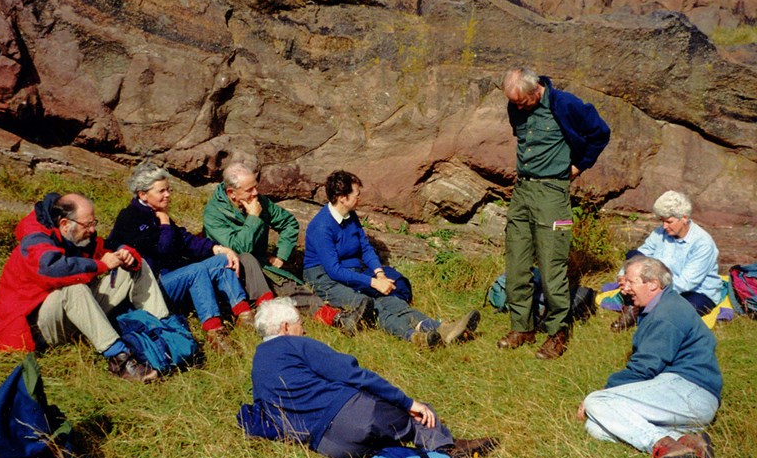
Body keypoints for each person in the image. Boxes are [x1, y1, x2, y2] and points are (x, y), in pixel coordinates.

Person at [238, 298, 501, 458]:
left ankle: (451, 454)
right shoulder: (295, 344)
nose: (304, 331)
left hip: (329, 446)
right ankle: (450, 455)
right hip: (352, 416)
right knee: (420, 417)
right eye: (301, 325)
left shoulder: (259, 364)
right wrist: (408, 402)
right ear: (285, 327)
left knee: (396, 449)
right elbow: (354, 374)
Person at [0, 192, 167, 383]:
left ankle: (165, 331)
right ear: (64, 224)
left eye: (94, 222)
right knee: (73, 288)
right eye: (88, 225)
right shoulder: (35, 240)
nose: (93, 229)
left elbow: (105, 247)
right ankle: (119, 359)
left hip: (69, 314)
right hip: (36, 329)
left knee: (136, 264)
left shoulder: (75, 235)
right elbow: (52, 269)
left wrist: (124, 254)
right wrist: (101, 265)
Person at [497, 67, 610, 359]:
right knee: (517, 264)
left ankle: (557, 334)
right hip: (522, 192)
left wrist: (578, 165)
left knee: (551, 267)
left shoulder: (566, 104)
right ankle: (522, 327)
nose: (517, 107)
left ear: (537, 90)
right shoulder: (517, 105)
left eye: (522, 101)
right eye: (514, 102)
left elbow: (600, 133)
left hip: (552, 195)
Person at [304, 170, 480, 347]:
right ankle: (413, 336)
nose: (360, 197)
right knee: (369, 305)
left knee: (390, 299)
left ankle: (441, 328)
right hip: (325, 279)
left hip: (351, 271)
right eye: (357, 194)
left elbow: (365, 247)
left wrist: (379, 274)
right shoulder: (321, 226)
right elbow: (334, 270)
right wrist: (373, 282)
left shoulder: (351, 216)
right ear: (342, 197)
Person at [578, 256, 721, 458]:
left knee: (596, 403)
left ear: (653, 284)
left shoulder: (667, 314)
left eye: (630, 282)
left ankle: (660, 444)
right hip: (686, 398)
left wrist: (603, 393)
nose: (625, 289)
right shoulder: (661, 306)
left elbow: (645, 367)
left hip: (689, 392)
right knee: (596, 427)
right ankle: (689, 442)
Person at [107, 162, 249, 355]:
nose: (168, 195)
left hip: (170, 279)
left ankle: (244, 315)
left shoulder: (155, 211)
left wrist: (218, 249)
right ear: (142, 194)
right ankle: (214, 331)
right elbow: (162, 249)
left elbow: (185, 240)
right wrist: (164, 223)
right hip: (150, 290)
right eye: (161, 191)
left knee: (221, 261)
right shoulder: (131, 217)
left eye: (168, 190)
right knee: (195, 270)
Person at [203, 162, 347, 332]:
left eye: (255, 187)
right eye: (249, 190)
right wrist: (253, 218)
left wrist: (281, 255)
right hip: (232, 274)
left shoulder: (258, 201)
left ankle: (337, 319)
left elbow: (288, 223)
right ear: (231, 193)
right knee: (269, 276)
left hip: (260, 266)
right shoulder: (214, 214)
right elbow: (239, 249)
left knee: (291, 288)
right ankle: (270, 318)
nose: (255, 193)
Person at [609, 190, 723, 331]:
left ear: (684, 218)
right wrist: (624, 275)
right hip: (657, 283)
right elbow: (641, 255)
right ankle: (633, 308)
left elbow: (686, 283)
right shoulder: (659, 233)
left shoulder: (703, 243)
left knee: (677, 312)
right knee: (633, 255)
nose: (664, 226)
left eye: (669, 221)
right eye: (662, 221)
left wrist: (653, 292)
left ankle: (640, 309)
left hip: (694, 292)